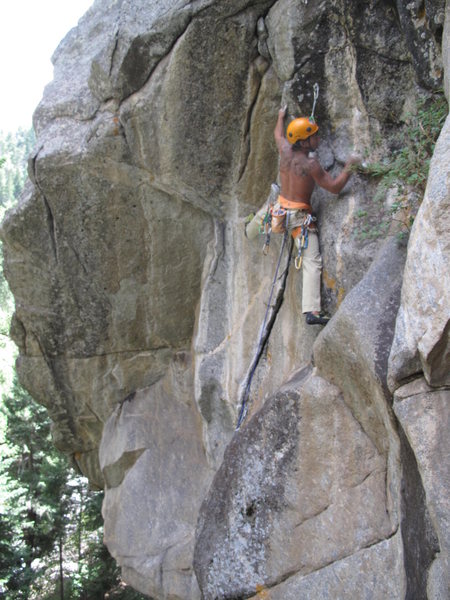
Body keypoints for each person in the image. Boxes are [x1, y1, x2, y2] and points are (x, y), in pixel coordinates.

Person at [273, 106, 360, 325]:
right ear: (303, 143)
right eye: (313, 136)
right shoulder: (311, 164)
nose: (317, 138)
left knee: (272, 202)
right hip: (300, 218)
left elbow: (278, 134)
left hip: (280, 212)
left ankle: (252, 227)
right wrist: (350, 167)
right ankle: (312, 311)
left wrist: (281, 116)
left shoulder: (284, 149)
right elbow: (333, 187)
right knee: (312, 261)